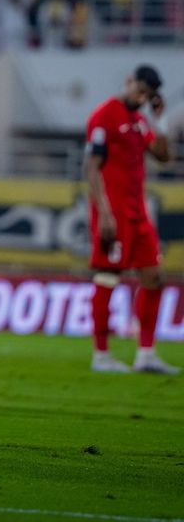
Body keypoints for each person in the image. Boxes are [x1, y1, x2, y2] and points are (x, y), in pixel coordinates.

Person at [84, 65, 179, 375]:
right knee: (108, 277)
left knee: (154, 278)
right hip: (114, 214)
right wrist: (105, 213)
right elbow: (92, 167)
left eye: (147, 95)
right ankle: (101, 355)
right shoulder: (105, 115)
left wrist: (160, 119)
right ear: (128, 82)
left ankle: (146, 354)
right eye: (139, 91)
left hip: (139, 214)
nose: (141, 98)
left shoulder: (140, 121)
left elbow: (164, 157)